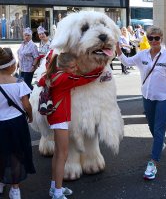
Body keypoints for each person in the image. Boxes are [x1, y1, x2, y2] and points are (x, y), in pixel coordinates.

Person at [38, 53, 104, 199]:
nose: (76, 69)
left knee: (57, 154)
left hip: (55, 117)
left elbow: (41, 82)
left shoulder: (53, 75)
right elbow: (87, 78)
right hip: (60, 119)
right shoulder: (65, 78)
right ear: (64, 67)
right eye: (73, 67)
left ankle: (55, 187)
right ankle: (57, 193)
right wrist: (101, 67)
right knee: (63, 155)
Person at [116, 26, 166, 180]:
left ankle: (153, 162)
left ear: (161, 39)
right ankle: (160, 144)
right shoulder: (142, 54)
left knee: (158, 129)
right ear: (147, 39)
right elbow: (126, 61)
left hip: (163, 98)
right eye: (150, 38)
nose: (154, 41)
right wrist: (118, 49)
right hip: (147, 96)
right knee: (151, 125)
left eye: (157, 38)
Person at [0, 47, 36, 199]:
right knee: (16, 154)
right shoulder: (19, 83)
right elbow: (26, 105)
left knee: (0, 154)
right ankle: (15, 189)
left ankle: (0, 183)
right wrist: (30, 115)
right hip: (16, 124)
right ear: (12, 66)